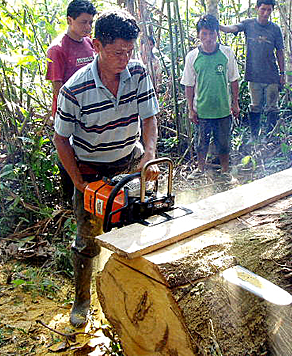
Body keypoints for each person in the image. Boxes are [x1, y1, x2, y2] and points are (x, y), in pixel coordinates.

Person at [53, 9, 159, 328]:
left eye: (128, 51)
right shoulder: (75, 88)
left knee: (139, 222)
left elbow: (150, 117)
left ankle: (139, 290)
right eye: (116, 52)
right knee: (88, 239)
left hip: (129, 159)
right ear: (97, 45)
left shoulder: (138, 74)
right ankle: (82, 300)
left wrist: (150, 153)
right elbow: (61, 141)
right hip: (91, 167)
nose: (123, 59)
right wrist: (79, 183)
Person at [46, 0, 97, 202]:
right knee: (68, 156)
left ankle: (89, 196)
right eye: (83, 22)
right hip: (68, 112)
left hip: (92, 111)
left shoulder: (90, 43)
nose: (88, 27)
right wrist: (60, 115)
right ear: (70, 20)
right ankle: (69, 200)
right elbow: (57, 87)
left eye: (90, 22)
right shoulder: (57, 49)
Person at [181, 14, 240, 182]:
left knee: (224, 143)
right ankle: (200, 169)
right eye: (204, 34)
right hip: (202, 110)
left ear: (217, 33)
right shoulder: (192, 56)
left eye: (212, 34)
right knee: (201, 143)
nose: (208, 38)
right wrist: (190, 108)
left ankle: (225, 171)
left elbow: (234, 79)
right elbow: (189, 85)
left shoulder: (226, 52)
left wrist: (235, 104)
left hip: (223, 109)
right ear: (199, 34)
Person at [220, 0, 285, 140]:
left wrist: (282, 73)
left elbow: (280, 51)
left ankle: (271, 137)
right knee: (255, 106)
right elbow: (232, 28)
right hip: (254, 75)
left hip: (271, 75)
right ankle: (254, 136)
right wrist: (218, 26)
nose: (266, 13)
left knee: (272, 107)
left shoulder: (275, 29)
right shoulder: (248, 24)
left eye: (269, 10)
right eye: (263, 9)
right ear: (257, 8)